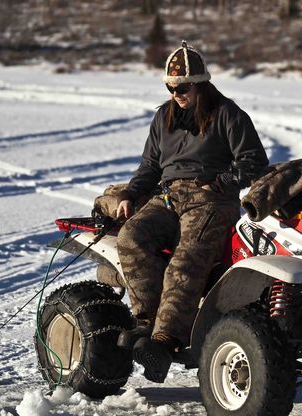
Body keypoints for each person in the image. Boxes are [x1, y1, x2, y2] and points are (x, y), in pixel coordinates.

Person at [114, 41, 269, 383]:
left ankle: (165, 342)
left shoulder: (228, 114)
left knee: (187, 259)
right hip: (168, 197)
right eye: (170, 87)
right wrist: (132, 192)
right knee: (130, 238)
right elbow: (150, 166)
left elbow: (255, 163)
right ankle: (145, 321)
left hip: (211, 199)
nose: (176, 94)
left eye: (182, 87)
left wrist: (222, 182)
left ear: (200, 83)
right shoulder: (163, 117)